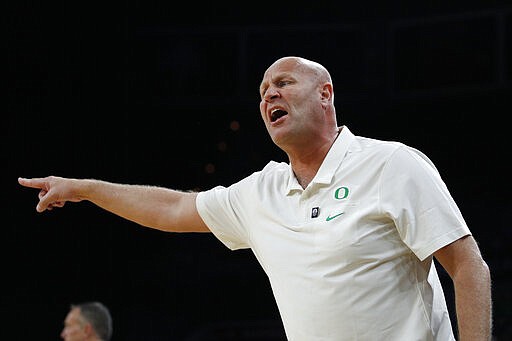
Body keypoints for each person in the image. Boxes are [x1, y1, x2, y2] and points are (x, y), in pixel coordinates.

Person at [19, 56, 492, 340]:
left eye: (283, 83)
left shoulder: (393, 164)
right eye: (263, 92)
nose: (269, 96)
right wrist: (85, 189)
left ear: (325, 94)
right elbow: (172, 208)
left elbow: (468, 266)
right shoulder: (261, 192)